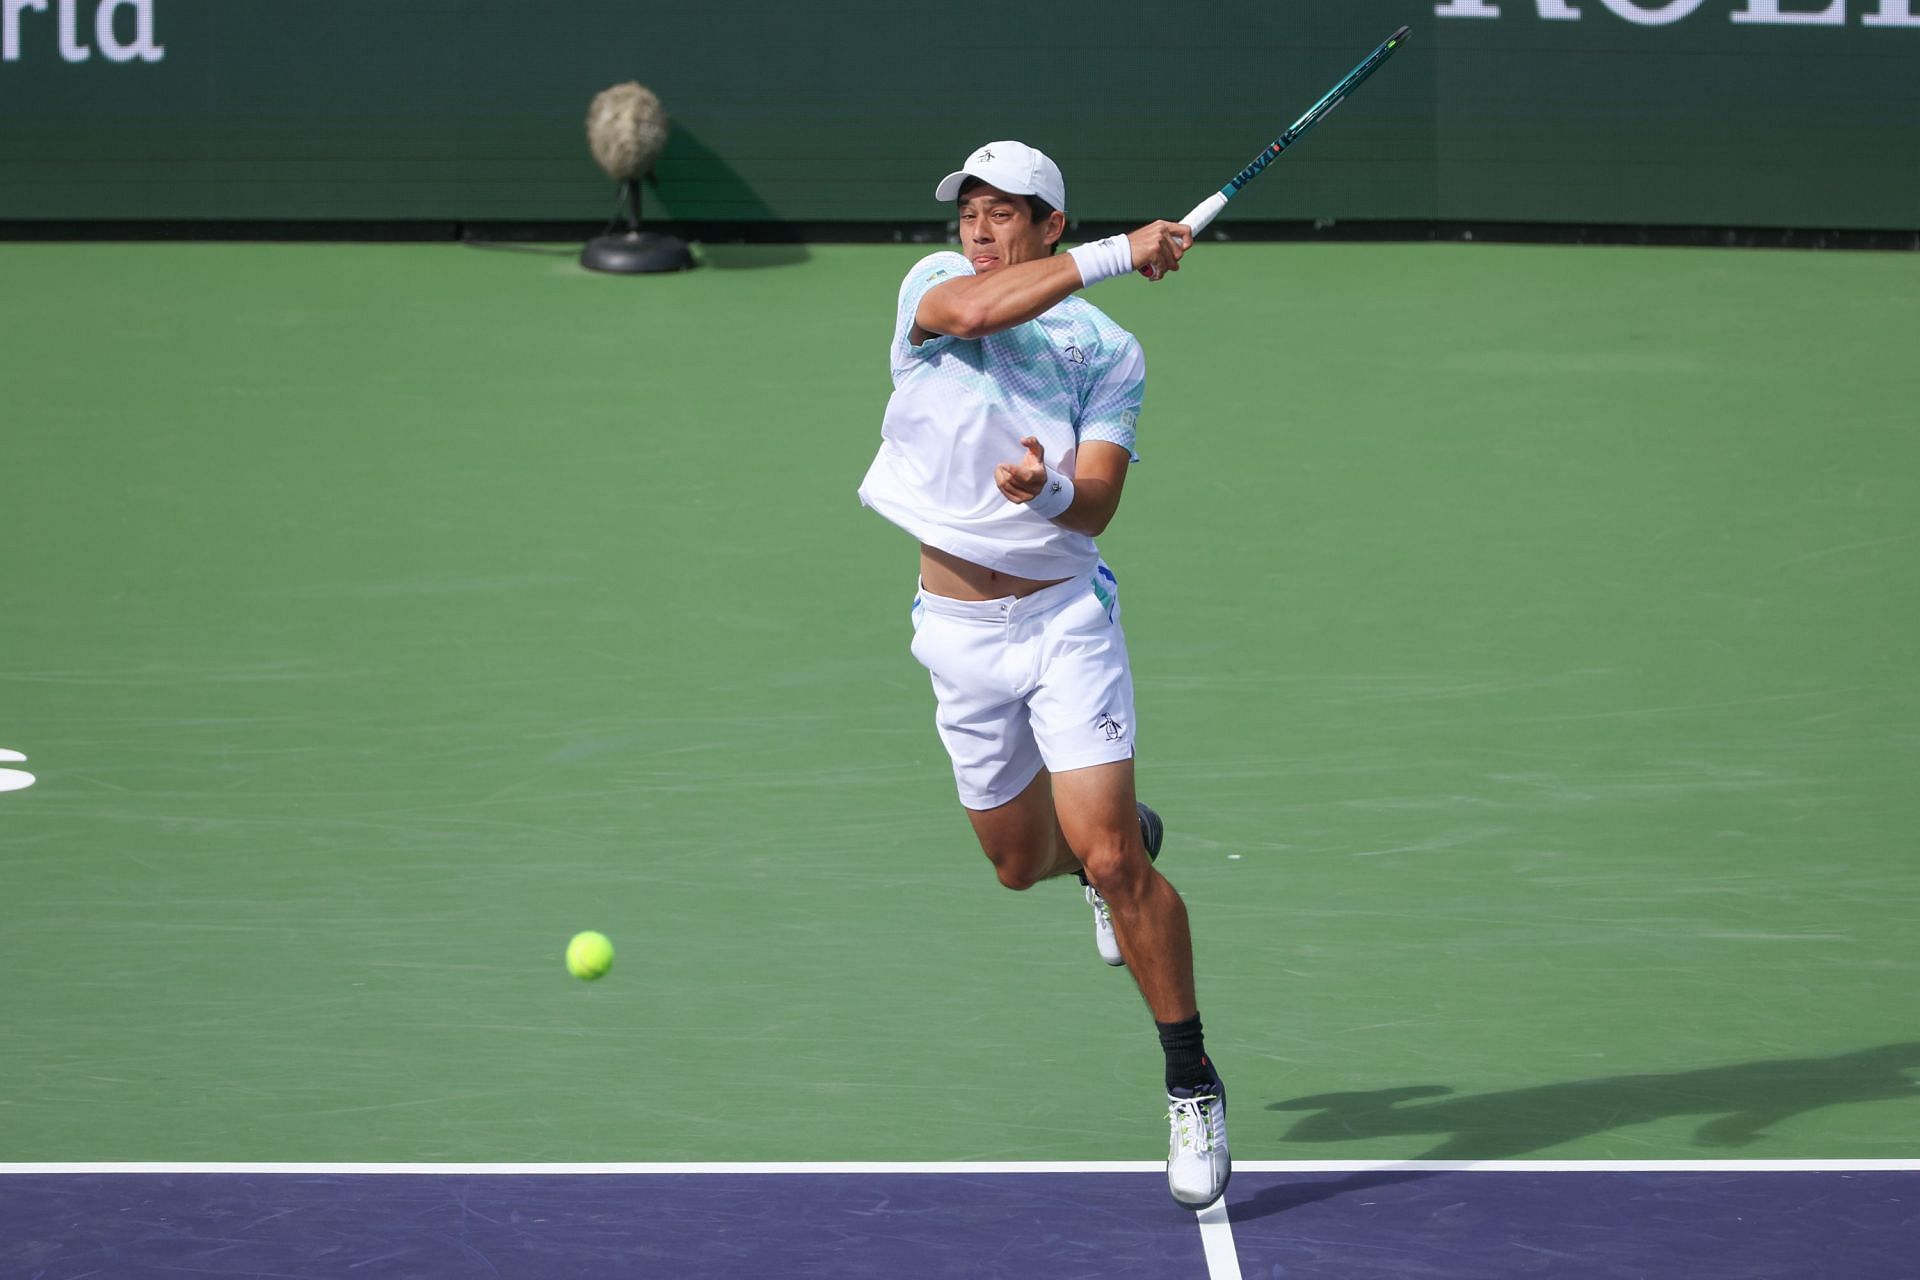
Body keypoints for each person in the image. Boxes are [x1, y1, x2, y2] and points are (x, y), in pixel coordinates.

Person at [857, 140, 1230, 1209]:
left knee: (1114, 861)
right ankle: (1107, 856)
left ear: (1048, 226)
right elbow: (977, 317)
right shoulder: (931, 290)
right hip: (958, 634)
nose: (976, 227)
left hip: (1066, 619)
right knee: (1022, 862)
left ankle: (1191, 1081)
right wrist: (1125, 249)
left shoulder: (1107, 352)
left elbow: (1100, 500)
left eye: (1003, 212)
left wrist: (1047, 489)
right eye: (967, 209)